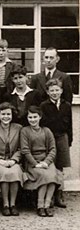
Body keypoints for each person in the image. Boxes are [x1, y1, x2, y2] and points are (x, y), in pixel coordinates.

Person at [21, 106, 63, 217]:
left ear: (40, 117)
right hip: (32, 163)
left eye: (35, 117)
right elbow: (25, 150)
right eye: (30, 117)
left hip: (46, 161)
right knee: (44, 176)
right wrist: (35, 164)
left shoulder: (46, 131)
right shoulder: (25, 131)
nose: (33, 120)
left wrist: (46, 162)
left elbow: (53, 149)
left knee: (52, 176)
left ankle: (47, 205)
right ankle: (40, 206)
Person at [40, 79, 72, 208]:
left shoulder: (66, 105)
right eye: (52, 90)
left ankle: (59, 194)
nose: (54, 93)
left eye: (57, 90)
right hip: (50, 137)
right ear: (47, 92)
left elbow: (69, 125)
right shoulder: (44, 106)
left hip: (62, 137)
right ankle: (50, 195)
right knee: (50, 165)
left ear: (61, 91)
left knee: (60, 167)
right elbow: (43, 124)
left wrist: (69, 140)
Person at [0, 102, 24, 216]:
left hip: (13, 160)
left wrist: (14, 160)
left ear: (12, 115)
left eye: (8, 114)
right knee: (5, 172)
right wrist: (0, 160)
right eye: (3, 114)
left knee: (14, 172)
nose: (6, 117)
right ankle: (5, 204)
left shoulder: (18, 128)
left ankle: (12, 204)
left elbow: (21, 148)